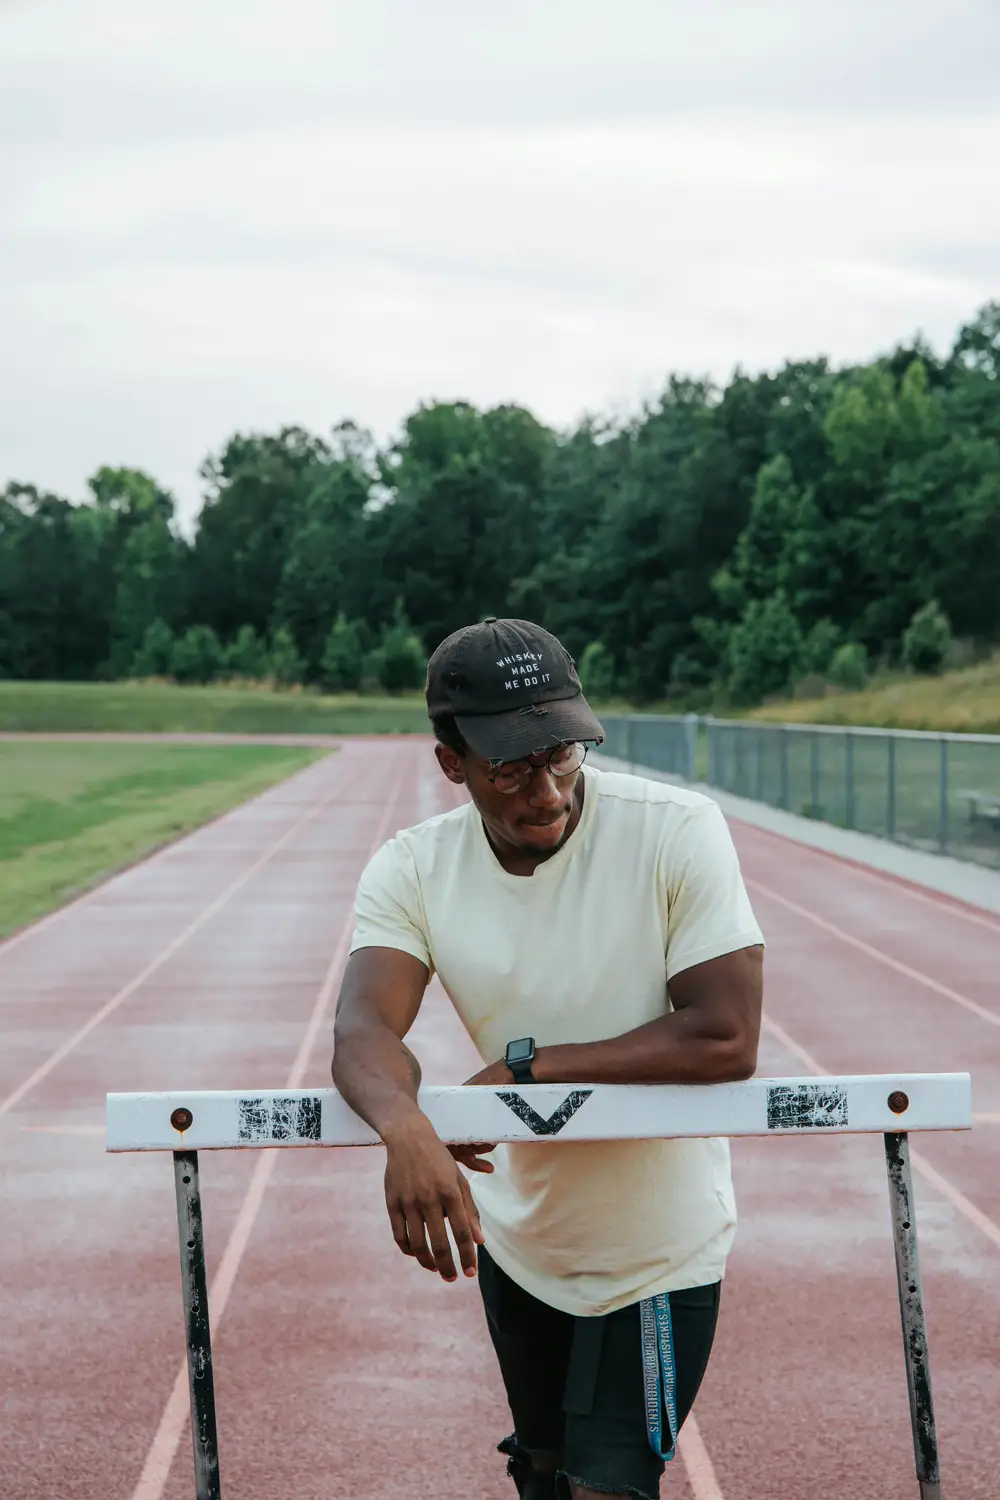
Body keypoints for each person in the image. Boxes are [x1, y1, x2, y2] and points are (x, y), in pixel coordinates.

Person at [332, 617, 765, 1500]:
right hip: (521, 1242)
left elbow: (725, 1033)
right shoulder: (413, 869)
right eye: (512, 767)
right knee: (542, 1481)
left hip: (657, 1251)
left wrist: (528, 1067)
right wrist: (404, 1129)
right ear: (450, 762)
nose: (549, 792)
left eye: (562, 754)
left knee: (610, 1486)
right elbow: (365, 1028)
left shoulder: (675, 830)